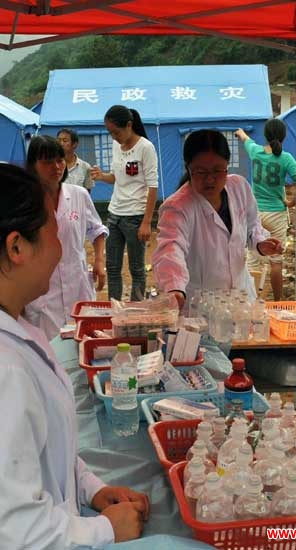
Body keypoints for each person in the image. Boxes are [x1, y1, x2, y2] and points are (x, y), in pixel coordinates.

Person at [0, 163, 149, 547]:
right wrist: (104, 529)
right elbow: (15, 531)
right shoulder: (6, 370)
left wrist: (90, 489)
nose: (62, 248)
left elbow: (42, 448)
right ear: (17, 247)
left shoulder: (21, 329)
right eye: (53, 232)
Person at [152, 129, 283, 312]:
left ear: (227, 166)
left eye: (217, 170)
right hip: (201, 308)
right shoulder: (177, 207)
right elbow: (170, 250)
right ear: (188, 168)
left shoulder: (239, 187)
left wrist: (261, 243)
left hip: (241, 301)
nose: (210, 179)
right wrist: (174, 288)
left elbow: (252, 226)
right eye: (201, 172)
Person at [24, 135, 108, 340]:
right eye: (47, 162)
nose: (56, 166)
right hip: (43, 290)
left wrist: (99, 261)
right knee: (48, 349)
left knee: (83, 340)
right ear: (33, 165)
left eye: (60, 160)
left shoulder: (79, 194)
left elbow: (96, 230)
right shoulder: (25, 201)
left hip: (77, 281)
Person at [91, 105, 158, 301]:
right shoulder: (116, 146)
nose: (113, 137)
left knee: (137, 269)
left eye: (116, 132)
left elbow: (153, 187)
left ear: (129, 125)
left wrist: (146, 222)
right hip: (114, 215)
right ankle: (115, 309)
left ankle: (135, 311)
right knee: (112, 267)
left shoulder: (145, 147)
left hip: (136, 217)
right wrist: (102, 176)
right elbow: (117, 178)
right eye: (110, 132)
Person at [236, 120, 296, 301]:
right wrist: (290, 203)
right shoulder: (286, 158)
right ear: (284, 136)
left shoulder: (255, 152)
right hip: (277, 213)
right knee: (276, 261)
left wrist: (240, 132)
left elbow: (245, 138)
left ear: (266, 135)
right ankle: (278, 303)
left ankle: (251, 303)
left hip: (256, 214)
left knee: (253, 260)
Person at [57, 128, 94, 192]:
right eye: (59, 140)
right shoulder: (53, 165)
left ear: (74, 144)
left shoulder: (85, 167)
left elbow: (87, 191)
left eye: (65, 141)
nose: (61, 144)